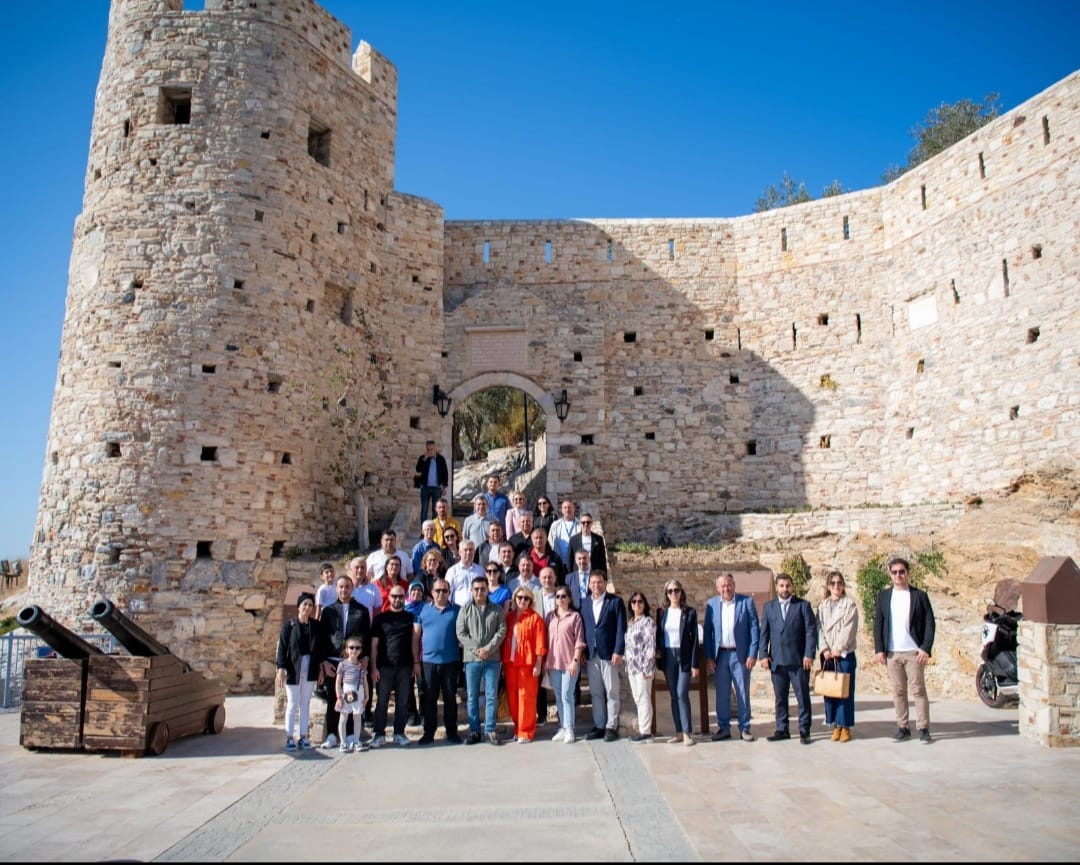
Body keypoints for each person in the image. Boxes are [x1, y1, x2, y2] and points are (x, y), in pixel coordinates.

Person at [873, 556, 936, 743]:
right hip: (892, 652)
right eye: (894, 572)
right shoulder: (884, 596)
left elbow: (929, 622)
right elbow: (878, 623)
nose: (898, 575)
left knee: (918, 690)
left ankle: (923, 728)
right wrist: (879, 649)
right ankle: (903, 726)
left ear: (908, 573)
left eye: (902, 571)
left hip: (913, 652)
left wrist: (925, 648)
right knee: (898, 691)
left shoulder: (919, 595)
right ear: (890, 574)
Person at [759, 573, 817, 745]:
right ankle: (782, 728)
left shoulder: (803, 606)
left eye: (787, 586)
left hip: (798, 661)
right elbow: (765, 634)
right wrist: (763, 655)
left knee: (802, 697)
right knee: (780, 698)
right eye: (781, 586)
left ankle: (804, 730)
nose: (785, 589)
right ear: (776, 587)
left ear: (792, 587)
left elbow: (811, 632)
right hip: (777, 661)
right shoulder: (769, 607)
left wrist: (809, 654)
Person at [317, 576, 372, 749]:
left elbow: (367, 637)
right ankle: (332, 735)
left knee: (351, 700)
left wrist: (366, 658)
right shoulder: (328, 611)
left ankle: (349, 735)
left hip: (353, 663)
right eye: (340, 587)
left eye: (347, 587)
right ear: (336, 588)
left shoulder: (361, 611)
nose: (344, 590)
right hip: (333, 662)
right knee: (334, 699)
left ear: (352, 589)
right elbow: (322, 639)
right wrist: (324, 662)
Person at [702, 573, 759, 742]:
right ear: (717, 588)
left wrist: (752, 653)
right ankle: (723, 727)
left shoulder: (746, 602)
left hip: (739, 655)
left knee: (742, 692)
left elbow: (754, 629)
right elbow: (707, 633)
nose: (726, 589)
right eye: (722, 586)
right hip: (721, 655)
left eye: (728, 585)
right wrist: (709, 657)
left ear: (734, 585)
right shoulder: (712, 605)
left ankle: (745, 727)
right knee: (722, 693)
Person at [456, 575, 507, 745]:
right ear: (472, 590)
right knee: (472, 696)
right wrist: (477, 649)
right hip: (472, 659)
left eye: (482, 589)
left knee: (491, 695)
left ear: (487, 590)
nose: (479, 592)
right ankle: (475, 730)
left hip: (492, 659)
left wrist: (488, 649)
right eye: (476, 589)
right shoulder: (465, 609)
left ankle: (490, 730)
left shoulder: (496, 610)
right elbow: (461, 633)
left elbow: (501, 631)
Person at [370, 585, 419, 747]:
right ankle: (379, 734)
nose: (397, 599)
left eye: (400, 596)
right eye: (394, 596)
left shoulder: (410, 618)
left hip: (405, 666)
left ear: (404, 598)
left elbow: (414, 642)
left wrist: (415, 663)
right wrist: (373, 667)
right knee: (382, 702)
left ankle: (399, 732)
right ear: (389, 598)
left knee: (402, 701)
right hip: (384, 667)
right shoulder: (380, 619)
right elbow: (374, 646)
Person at [415, 578, 462, 745]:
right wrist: (416, 661)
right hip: (428, 662)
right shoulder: (423, 610)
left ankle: (452, 732)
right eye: (437, 590)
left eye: (444, 590)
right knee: (429, 698)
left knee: (450, 698)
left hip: (451, 661)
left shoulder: (457, 610)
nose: (441, 593)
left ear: (449, 592)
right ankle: (429, 733)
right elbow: (416, 636)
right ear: (432, 592)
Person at [582, 570, 626, 741]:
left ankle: (611, 726)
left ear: (605, 583)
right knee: (596, 692)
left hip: (609, 654)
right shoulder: (585, 603)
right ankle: (600, 725)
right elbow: (586, 628)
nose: (596, 585)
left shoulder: (615, 602)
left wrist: (618, 650)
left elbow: (621, 628)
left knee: (612, 691)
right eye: (593, 582)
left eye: (599, 582)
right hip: (592, 654)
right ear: (589, 584)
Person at [276, 591, 321, 751]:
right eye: (305, 605)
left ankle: (303, 736)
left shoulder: (315, 626)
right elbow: (282, 648)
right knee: (293, 703)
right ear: (299, 607)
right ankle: (289, 736)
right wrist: (281, 668)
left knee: (305, 702)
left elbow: (319, 649)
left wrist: (320, 669)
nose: (307, 608)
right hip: (293, 667)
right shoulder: (289, 626)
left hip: (309, 667)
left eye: (310, 605)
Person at [817, 570, 859, 742]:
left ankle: (845, 726)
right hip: (828, 655)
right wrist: (824, 648)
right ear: (828, 586)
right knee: (830, 691)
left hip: (843, 654)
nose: (836, 586)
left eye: (839, 583)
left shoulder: (849, 605)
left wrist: (837, 647)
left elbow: (849, 628)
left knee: (845, 692)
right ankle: (834, 724)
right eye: (833, 583)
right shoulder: (822, 606)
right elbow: (819, 628)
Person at [658, 579, 699, 745]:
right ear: (666, 594)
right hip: (668, 655)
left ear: (681, 592)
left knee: (682, 693)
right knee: (674, 695)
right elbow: (658, 635)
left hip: (684, 655)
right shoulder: (662, 612)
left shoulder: (689, 612)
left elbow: (694, 639)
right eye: (670, 591)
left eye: (676, 590)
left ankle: (688, 732)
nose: (673, 594)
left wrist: (695, 664)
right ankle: (679, 732)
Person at [503, 588, 547, 743]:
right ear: (515, 599)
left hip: (528, 664)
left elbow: (540, 642)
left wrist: (538, 663)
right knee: (513, 698)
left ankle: (526, 731)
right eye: (520, 597)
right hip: (511, 663)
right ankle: (517, 727)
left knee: (526, 697)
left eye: (526, 598)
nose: (523, 600)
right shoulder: (509, 618)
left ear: (531, 601)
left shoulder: (536, 619)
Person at [545, 585, 585, 743]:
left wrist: (575, 660)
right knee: (558, 696)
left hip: (570, 662)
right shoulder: (549, 617)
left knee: (567, 695)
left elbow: (579, 641)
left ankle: (570, 728)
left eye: (563, 596)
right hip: (554, 663)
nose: (560, 599)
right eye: (558, 597)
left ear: (569, 599)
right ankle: (562, 726)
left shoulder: (575, 617)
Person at [624, 590, 657, 743]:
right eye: (634, 602)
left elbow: (650, 646)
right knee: (638, 698)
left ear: (644, 604)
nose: (637, 604)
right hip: (631, 667)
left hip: (643, 667)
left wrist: (647, 668)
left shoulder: (648, 622)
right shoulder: (631, 623)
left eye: (640, 601)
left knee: (644, 698)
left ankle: (645, 732)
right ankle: (645, 729)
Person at [334, 637, 368, 752]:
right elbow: (338, 682)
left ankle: (356, 740)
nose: (354, 650)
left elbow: (365, 681)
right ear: (347, 649)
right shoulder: (342, 664)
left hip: (359, 693)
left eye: (357, 648)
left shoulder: (361, 665)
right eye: (351, 647)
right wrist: (338, 696)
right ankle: (343, 743)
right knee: (343, 718)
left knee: (357, 718)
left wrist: (367, 696)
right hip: (346, 692)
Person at [415, 440, 448, 524]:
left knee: (436, 510)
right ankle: (423, 532)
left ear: (435, 448)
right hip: (425, 488)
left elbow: (445, 473)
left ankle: (434, 531)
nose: (430, 451)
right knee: (424, 510)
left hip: (437, 488)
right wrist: (424, 459)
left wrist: (444, 487)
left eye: (432, 449)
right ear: (426, 449)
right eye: (428, 449)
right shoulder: (423, 458)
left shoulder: (441, 459)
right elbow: (418, 469)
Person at [446, 539, 484, 608]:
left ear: (474, 552)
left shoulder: (480, 570)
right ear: (459, 552)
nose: (468, 552)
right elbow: (447, 593)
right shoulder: (452, 571)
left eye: (471, 549)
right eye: (465, 550)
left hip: (477, 610)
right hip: (459, 610)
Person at [547, 498, 581, 567]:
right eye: (565, 508)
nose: (567, 510)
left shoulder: (580, 525)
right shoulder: (555, 525)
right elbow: (550, 542)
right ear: (562, 510)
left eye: (569, 507)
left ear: (574, 509)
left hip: (575, 563)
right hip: (559, 562)